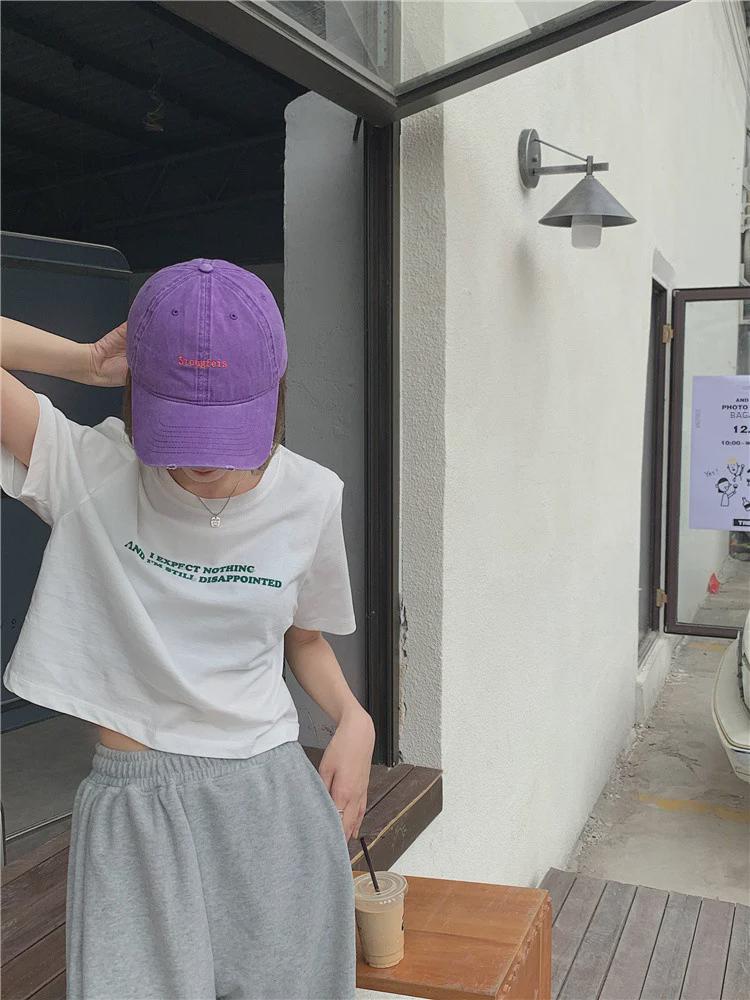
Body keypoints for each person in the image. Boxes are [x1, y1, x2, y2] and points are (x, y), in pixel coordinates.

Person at [0, 257, 375, 1000]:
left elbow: (302, 637)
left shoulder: (310, 496)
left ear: (272, 395)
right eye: (181, 424)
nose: (203, 458)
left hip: (273, 801)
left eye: (224, 426)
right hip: (137, 814)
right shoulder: (90, 471)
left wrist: (354, 720)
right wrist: (82, 361)